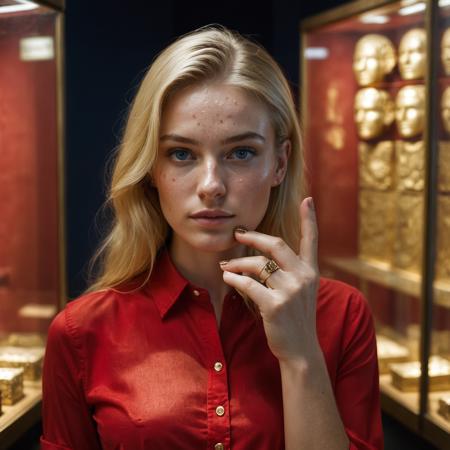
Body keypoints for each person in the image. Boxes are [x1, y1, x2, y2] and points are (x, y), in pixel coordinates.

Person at [40, 25, 383, 450]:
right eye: (181, 154)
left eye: (241, 153)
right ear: (151, 167)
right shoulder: (81, 332)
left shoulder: (342, 316)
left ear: (279, 162)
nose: (211, 185)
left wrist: (301, 358)